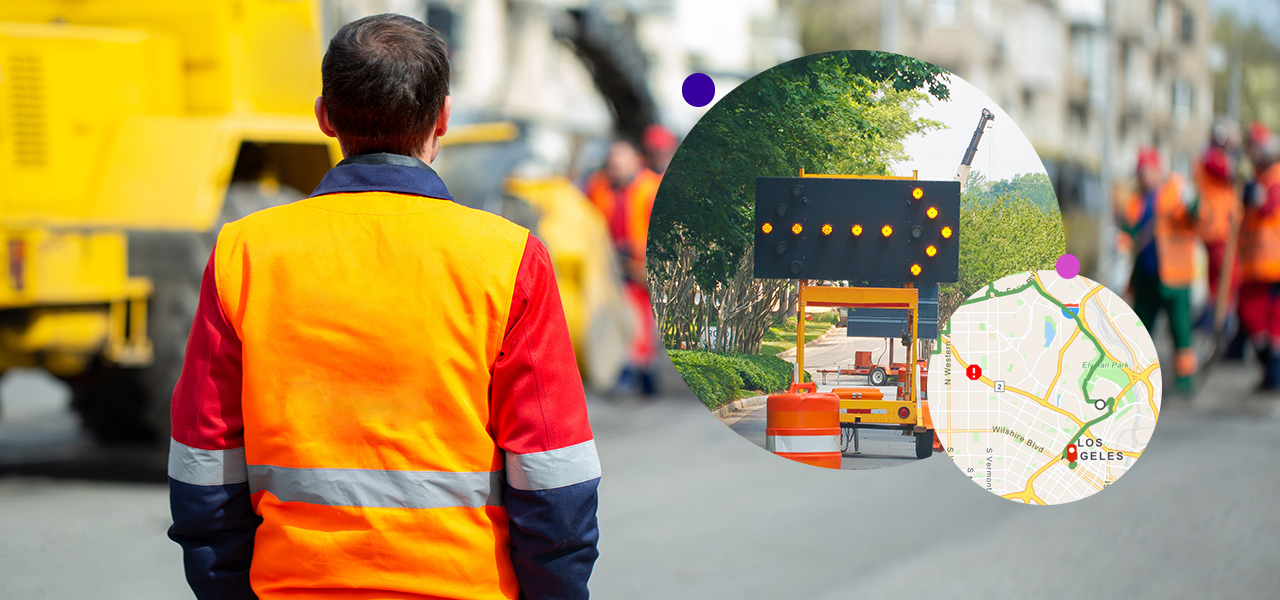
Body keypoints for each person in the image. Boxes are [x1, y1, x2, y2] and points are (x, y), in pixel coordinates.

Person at [166, 14, 600, 599]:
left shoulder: (244, 254)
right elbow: (554, 476)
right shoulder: (510, 259)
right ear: (443, 117)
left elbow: (205, 463)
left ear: (324, 117)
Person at [1118, 146, 1200, 395]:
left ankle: (1185, 380)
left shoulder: (1174, 193)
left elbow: (1195, 218)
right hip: (1145, 278)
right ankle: (1135, 378)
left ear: (1157, 170)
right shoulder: (1135, 202)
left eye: (1147, 171)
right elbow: (1128, 234)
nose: (1143, 176)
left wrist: (1192, 201)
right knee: (1139, 329)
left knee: (1180, 330)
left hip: (1175, 277)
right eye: (1140, 172)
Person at [585, 138, 662, 395]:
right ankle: (635, 370)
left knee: (642, 318)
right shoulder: (598, 187)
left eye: (620, 163)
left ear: (635, 162)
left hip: (641, 265)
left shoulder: (651, 188)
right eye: (612, 164)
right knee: (630, 316)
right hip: (613, 265)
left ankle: (641, 370)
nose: (615, 169)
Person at [1238, 124, 1280, 389]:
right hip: (1257, 266)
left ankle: (1273, 370)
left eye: (1254, 147)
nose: (1250, 152)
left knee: (1273, 320)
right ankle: (1270, 365)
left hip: (1274, 265)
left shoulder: (1274, 176)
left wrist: (1253, 195)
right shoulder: (1260, 176)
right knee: (1251, 314)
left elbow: (1267, 206)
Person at [1193, 123, 1242, 331]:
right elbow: (1234, 172)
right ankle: (1217, 319)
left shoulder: (1212, 156)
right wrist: (1238, 150)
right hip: (1216, 229)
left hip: (1219, 228)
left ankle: (1214, 318)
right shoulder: (1212, 157)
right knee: (1228, 276)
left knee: (1217, 279)